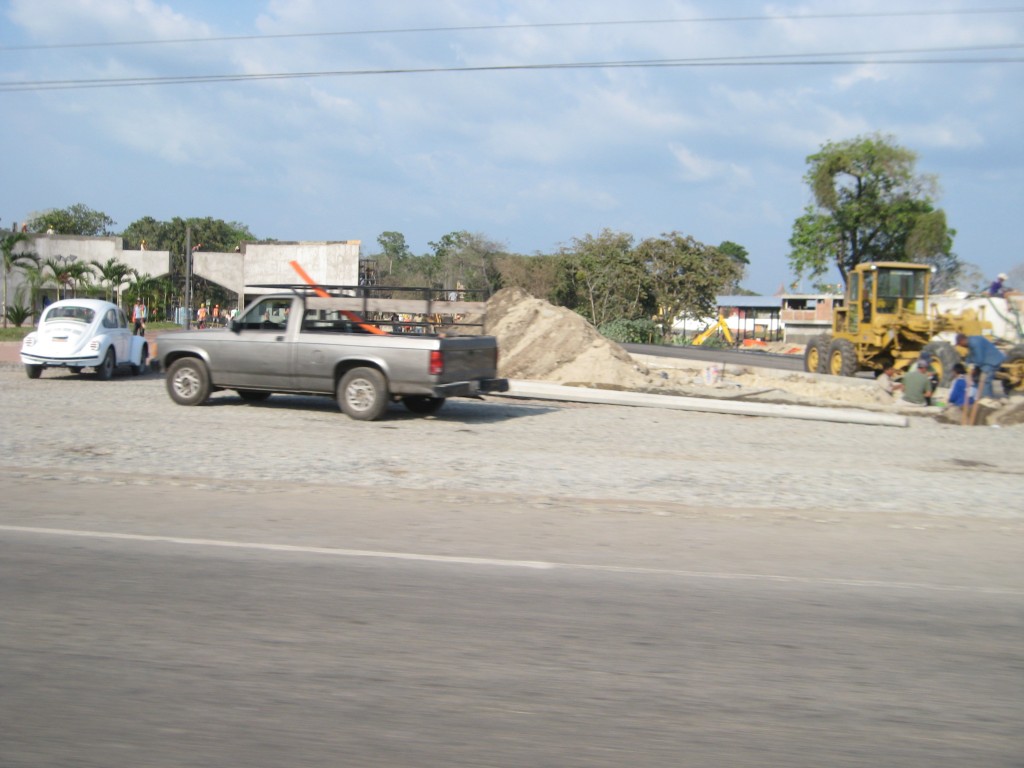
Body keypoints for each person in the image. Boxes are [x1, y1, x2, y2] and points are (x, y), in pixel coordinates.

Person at [955, 333, 1006, 399]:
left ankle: (987, 400)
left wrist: (973, 369)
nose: (961, 346)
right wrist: (966, 366)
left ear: (962, 341)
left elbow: (979, 359)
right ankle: (977, 398)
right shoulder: (971, 342)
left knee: (985, 380)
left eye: (960, 344)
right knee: (975, 379)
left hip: (992, 361)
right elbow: (970, 356)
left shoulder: (975, 343)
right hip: (986, 361)